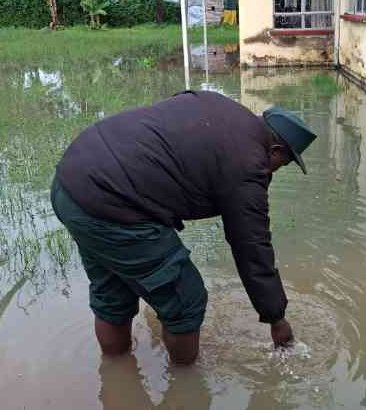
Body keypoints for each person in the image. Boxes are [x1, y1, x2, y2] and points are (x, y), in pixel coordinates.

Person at [50, 90, 317, 365]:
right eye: (282, 164)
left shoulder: (219, 105)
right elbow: (252, 246)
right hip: (113, 203)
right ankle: (185, 383)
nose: (273, 171)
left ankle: (116, 371)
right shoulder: (249, 162)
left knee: (113, 293)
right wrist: (276, 318)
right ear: (275, 150)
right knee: (186, 300)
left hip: (69, 185)